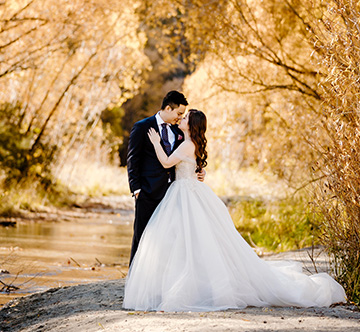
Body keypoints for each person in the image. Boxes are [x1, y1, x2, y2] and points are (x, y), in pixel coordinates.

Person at [123, 109, 346, 312]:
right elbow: (192, 167)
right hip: (187, 191)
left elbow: (165, 163)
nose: (183, 117)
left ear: (192, 124)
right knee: (188, 242)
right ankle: (183, 284)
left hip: (185, 194)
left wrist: (154, 143)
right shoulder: (189, 142)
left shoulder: (188, 144)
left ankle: (189, 287)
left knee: (188, 241)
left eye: (187, 116)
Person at [126, 91, 205, 264]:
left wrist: (199, 170)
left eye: (182, 116)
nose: (180, 118)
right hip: (147, 191)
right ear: (168, 108)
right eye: (179, 114)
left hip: (173, 193)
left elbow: (188, 156)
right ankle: (134, 278)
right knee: (142, 235)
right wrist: (136, 189)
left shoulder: (180, 131)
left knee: (168, 238)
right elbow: (133, 159)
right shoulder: (143, 127)